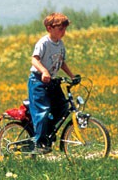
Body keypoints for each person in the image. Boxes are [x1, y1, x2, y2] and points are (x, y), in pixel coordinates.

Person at [27, 13, 78, 154]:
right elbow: (34, 60)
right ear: (50, 28)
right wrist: (44, 71)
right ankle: (39, 142)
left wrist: (72, 75)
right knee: (42, 111)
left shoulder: (60, 44)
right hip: (38, 81)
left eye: (64, 29)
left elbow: (61, 63)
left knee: (63, 106)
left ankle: (46, 131)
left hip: (52, 82)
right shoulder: (43, 43)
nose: (63, 32)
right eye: (60, 29)